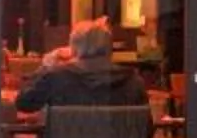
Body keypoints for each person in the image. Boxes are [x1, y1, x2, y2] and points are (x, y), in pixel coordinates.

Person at [14, 21, 148, 112]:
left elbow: (23, 103)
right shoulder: (134, 82)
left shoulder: (56, 77)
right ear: (109, 48)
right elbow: (146, 131)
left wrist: (45, 67)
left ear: (74, 48)